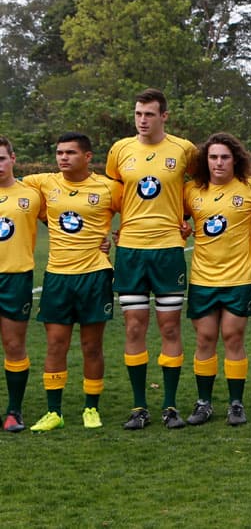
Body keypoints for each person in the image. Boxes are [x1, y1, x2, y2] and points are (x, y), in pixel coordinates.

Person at [106, 88, 197, 430]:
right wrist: (106, 231)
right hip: (130, 249)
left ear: (164, 117)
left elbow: (203, 187)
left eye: (149, 114)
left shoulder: (184, 150)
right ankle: (139, 406)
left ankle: (170, 405)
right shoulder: (120, 150)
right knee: (133, 326)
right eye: (138, 114)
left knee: (170, 326)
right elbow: (113, 195)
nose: (142, 120)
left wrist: (188, 217)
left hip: (168, 249)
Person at [23, 132, 121, 431]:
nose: (63, 158)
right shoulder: (42, 183)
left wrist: (113, 240)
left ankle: (91, 408)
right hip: (57, 276)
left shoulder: (108, 187)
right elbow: (16, 192)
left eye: (70, 153)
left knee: (92, 346)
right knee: (55, 345)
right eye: (59, 153)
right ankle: (54, 412)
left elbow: (135, 215)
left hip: (94, 275)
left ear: (88, 157)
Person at [182, 133, 251, 426]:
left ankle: (235, 403)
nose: (219, 163)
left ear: (235, 160)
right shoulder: (190, 191)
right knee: (205, 338)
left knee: (233, 337)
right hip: (203, 278)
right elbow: (175, 218)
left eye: (225, 157)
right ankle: (204, 403)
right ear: (205, 160)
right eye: (213, 157)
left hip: (239, 278)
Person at [0, 136, 45, 432]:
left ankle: (14, 411)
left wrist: (101, 243)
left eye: (1, 158)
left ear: (13, 159)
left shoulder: (31, 195)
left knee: (14, 344)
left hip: (15, 277)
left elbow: (65, 223)